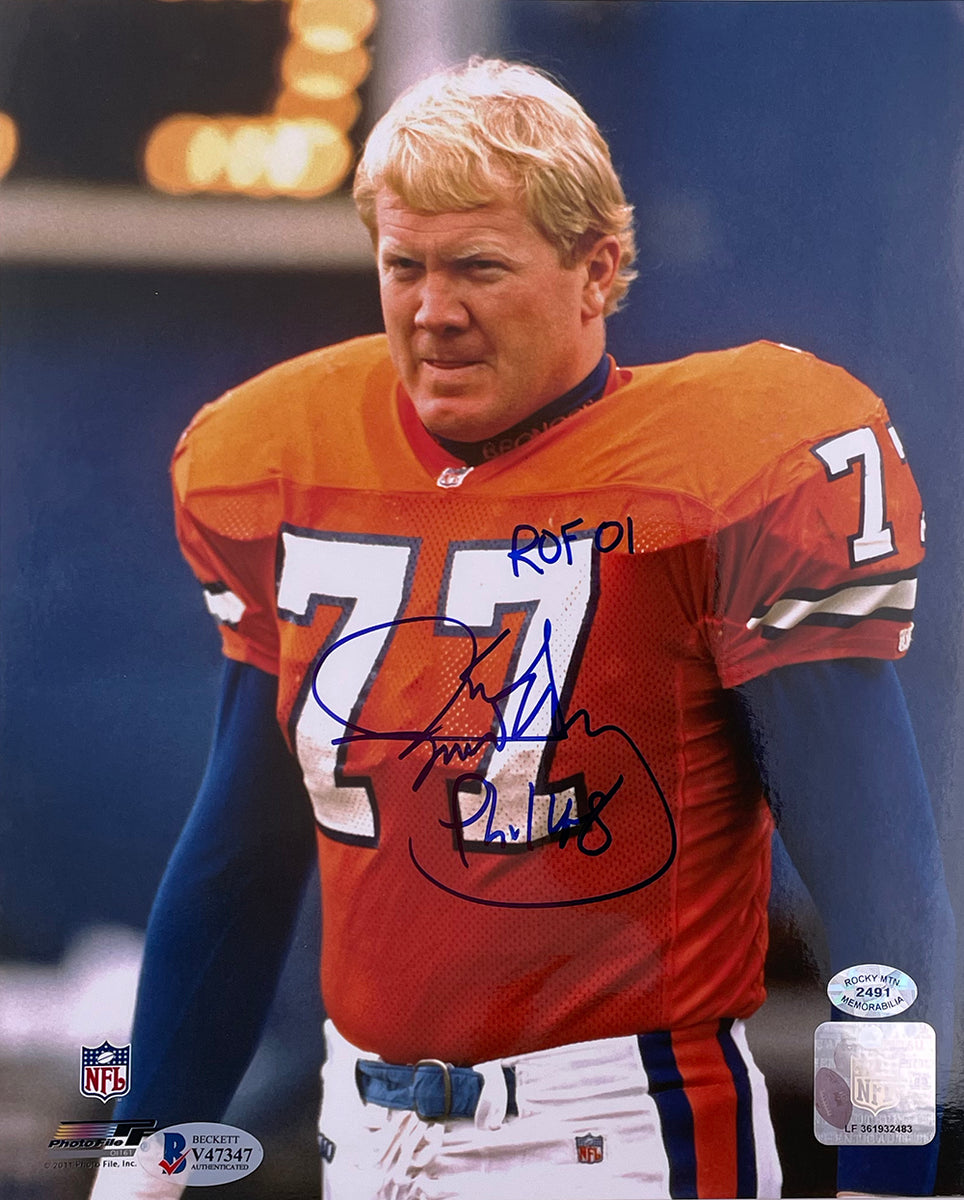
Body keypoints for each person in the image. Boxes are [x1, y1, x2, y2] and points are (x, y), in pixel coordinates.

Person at [91, 59, 954, 1200]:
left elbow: (880, 890)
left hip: (616, 1136)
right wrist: (135, 1159)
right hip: (365, 1130)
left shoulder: (731, 470)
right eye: (404, 265)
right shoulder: (287, 457)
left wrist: (887, 1172)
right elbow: (237, 852)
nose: (432, 311)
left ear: (597, 269)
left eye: (478, 268)